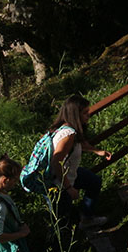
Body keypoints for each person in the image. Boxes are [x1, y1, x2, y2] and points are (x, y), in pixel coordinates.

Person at [46, 95, 111, 228]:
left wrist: (96, 151)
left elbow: (77, 145)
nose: (88, 115)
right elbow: (56, 162)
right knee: (62, 219)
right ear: (75, 114)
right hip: (58, 183)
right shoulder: (67, 134)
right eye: (85, 113)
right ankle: (70, 243)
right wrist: (69, 188)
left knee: (94, 181)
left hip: (69, 173)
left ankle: (87, 217)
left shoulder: (65, 127)